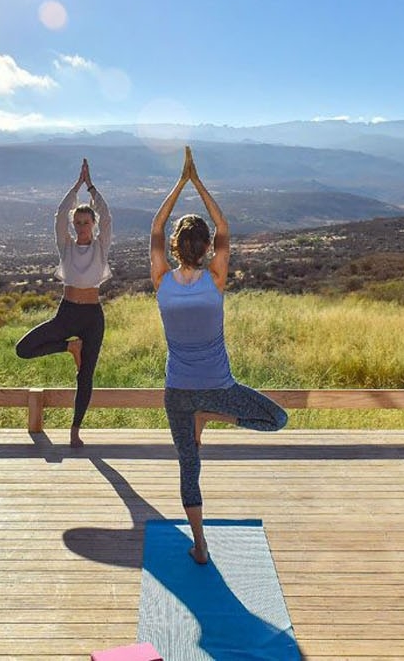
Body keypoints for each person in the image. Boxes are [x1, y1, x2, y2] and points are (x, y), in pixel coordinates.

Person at [151, 146, 288, 565]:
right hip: (219, 388)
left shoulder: (161, 280)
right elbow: (225, 223)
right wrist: (198, 182)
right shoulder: (216, 278)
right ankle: (216, 415)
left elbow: (155, 227)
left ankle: (200, 543)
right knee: (276, 419)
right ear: (208, 246)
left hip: (178, 392)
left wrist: (179, 183)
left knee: (188, 468)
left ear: (175, 247)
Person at [16, 158, 112, 448]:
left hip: (93, 317)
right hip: (67, 313)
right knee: (24, 349)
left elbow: (108, 216)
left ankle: (75, 430)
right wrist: (76, 186)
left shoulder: (101, 246)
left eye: (86, 222)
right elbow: (59, 214)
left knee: (86, 375)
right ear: (74, 225)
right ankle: (70, 346)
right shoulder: (66, 246)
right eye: (78, 222)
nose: (82, 226)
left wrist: (91, 188)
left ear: (93, 225)